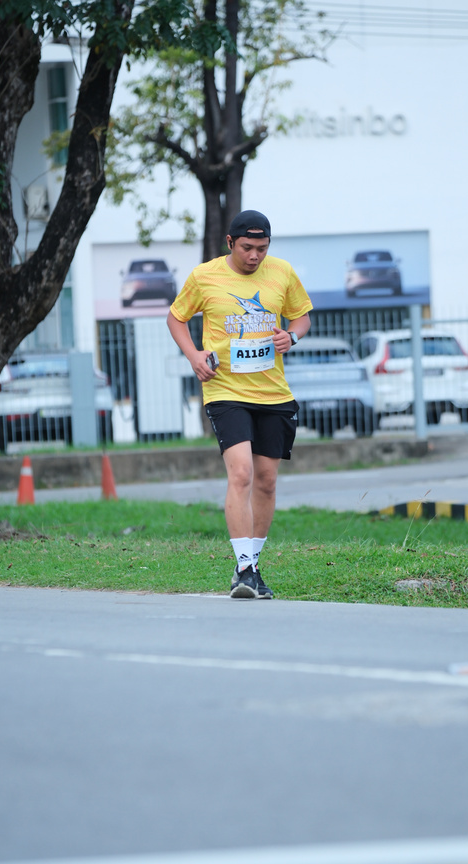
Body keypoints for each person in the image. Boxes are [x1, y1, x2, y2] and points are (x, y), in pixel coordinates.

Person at [167, 209, 312, 599]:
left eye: (262, 248)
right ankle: (245, 568)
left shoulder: (282, 272)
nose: (254, 256)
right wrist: (194, 356)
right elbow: (176, 318)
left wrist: (292, 337)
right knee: (242, 474)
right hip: (225, 391)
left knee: (266, 481)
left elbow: (301, 318)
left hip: (274, 393)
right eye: (247, 247)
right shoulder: (205, 276)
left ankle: (251, 567)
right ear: (230, 242)